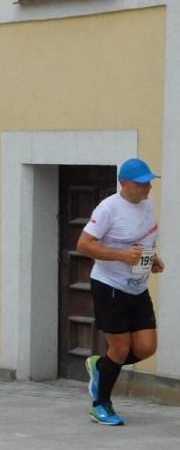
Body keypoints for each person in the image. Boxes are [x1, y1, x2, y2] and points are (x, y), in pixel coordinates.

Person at [78, 158, 165, 426]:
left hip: (138, 287)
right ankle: (100, 405)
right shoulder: (109, 208)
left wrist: (152, 259)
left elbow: (141, 241)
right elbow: (83, 244)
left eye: (149, 182)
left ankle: (100, 366)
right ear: (124, 183)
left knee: (146, 348)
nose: (147, 187)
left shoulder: (148, 205)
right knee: (119, 349)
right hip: (110, 286)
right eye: (141, 183)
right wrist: (121, 256)